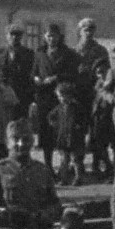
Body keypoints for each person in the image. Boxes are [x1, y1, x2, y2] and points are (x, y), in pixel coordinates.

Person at [32, 23, 81, 166]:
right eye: (48, 36)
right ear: (44, 37)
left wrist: (56, 78)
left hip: (61, 98)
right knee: (46, 132)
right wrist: (36, 78)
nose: (51, 39)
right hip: (44, 97)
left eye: (54, 36)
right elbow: (33, 72)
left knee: (62, 132)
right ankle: (48, 165)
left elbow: (73, 73)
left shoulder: (68, 54)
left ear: (59, 37)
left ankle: (64, 166)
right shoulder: (40, 53)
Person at [72, 18, 113, 177]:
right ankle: (79, 164)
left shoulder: (100, 50)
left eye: (91, 30)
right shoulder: (74, 51)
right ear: (80, 31)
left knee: (98, 130)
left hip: (97, 94)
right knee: (80, 130)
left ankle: (97, 164)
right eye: (85, 30)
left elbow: (107, 72)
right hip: (80, 94)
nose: (88, 33)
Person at [0, 24, 35, 122]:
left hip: (22, 97)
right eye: (12, 34)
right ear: (6, 35)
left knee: (21, 126)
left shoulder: (29, 54)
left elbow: (31, 75)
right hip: (3, 95)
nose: (15, 37)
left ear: (21, 36)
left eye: (18, 34)